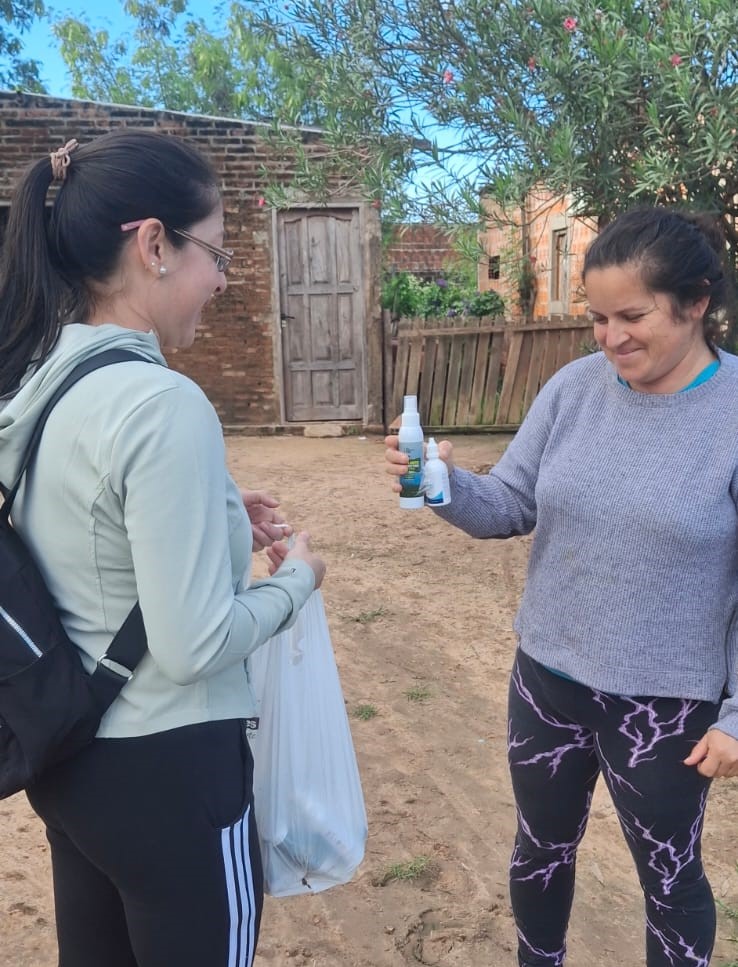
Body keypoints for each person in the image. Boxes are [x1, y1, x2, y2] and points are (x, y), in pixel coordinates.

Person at [0, 131, 325, 967]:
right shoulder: (162, 404)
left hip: (74, 760)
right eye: (215, 252)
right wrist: (297, 584)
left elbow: (81, 528)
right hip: (173, 772)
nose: (223, 278)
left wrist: (217, 507)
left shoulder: (40, 387)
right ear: (153, 244)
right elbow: (194, 645)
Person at [385, 207, 738, 967]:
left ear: (699, 301)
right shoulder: (575, 389)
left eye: (633, 316)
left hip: (666, 708)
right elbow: (511, 503)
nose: (611, 338)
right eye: (598, 318)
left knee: (671, 881)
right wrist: (442, 483)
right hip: (547, 680)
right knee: (540, 849)